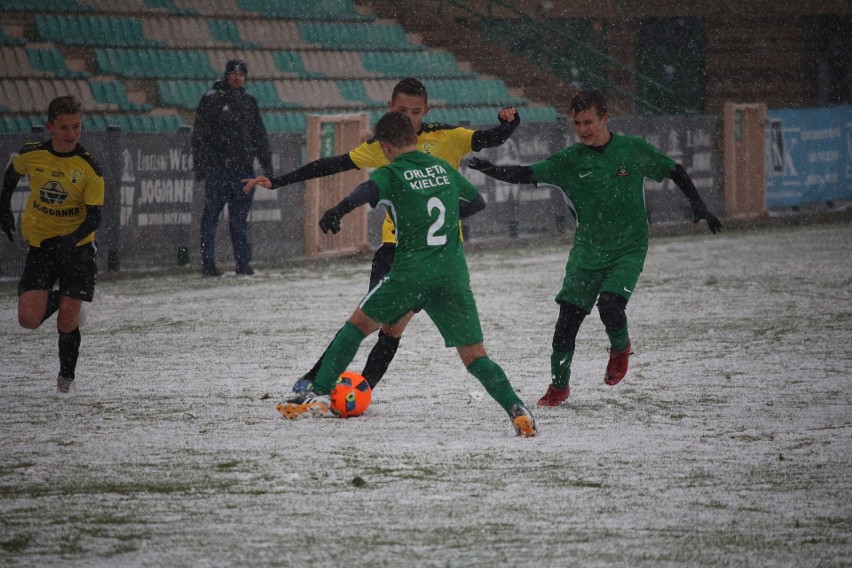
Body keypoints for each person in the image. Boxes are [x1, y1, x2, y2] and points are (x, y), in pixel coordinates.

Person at [242, 77, 520, 391]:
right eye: (402, 110)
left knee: (392, 327)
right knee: (367, 319)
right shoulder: (384, 147)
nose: (408, 117)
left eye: (415, 111)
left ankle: (360, 389)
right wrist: (277, 182)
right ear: (390, 108)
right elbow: (333, 164)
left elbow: (489, 138)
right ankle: (316, 380)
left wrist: (509, 123)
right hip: (394, 250)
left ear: (425, 110)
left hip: (440, 254)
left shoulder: (448, 137)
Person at [277, 112, 537, 437]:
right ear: (413, 139)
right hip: (453, 273)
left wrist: (338, 210)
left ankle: (320, 390)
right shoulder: (443, 168)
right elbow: (476, 201)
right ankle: (516, 407)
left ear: (385, 146)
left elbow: (366, 190)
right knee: (474, 356)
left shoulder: (392, 172)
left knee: (358, 325)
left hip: (412, 272)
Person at [469, 88, 723, 407]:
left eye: (589, 121)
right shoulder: (570, 160)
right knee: (566, 325)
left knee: (610, 306)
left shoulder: (631, 149)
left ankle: (620, 348)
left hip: (628, 248)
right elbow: (528, 174)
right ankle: (559, 387)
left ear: (605, 118)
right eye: (577, 123)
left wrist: (698, 206)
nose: (584, 129)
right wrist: (492, 170)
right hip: (587, 252)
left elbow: (675, 170)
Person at [0, 95, 104, 394]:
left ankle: (65, 380)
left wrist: (70, 242)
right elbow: (13, 172)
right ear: (50, 127)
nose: (71, 134)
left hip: (78, 249)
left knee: (67, 323)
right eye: (64, 128)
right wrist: (3, 206)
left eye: (76, 127)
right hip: (42, 245)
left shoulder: (89, 168)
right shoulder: (32, 154)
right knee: (28, 320)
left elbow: (94, 218)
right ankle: (68, 298)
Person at [192, 58, 272, 277]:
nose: (237, 78)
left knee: (239, 220)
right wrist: (201, 164)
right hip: (219, 170)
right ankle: (208, 264)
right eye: (234, 74)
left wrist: (267, 166)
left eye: (241, 74)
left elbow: (259, 135)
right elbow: (200, 134)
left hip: (244, 171)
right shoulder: (212, 99)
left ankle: (242, 263)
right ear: (227, 75)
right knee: (211, 218)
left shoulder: (249, 101)